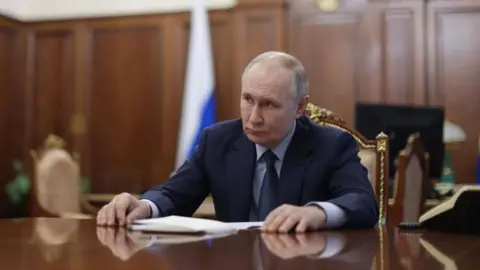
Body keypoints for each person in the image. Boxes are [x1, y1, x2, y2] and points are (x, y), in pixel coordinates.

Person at [96, 51, 378, 232]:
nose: (253, 117)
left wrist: (317, 213)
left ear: (300, 107)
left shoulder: (332, 144)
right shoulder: (217, 140)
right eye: (247, 100)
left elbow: (363, 203)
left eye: (269, 104)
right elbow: (174, 193)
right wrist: (143, 206)